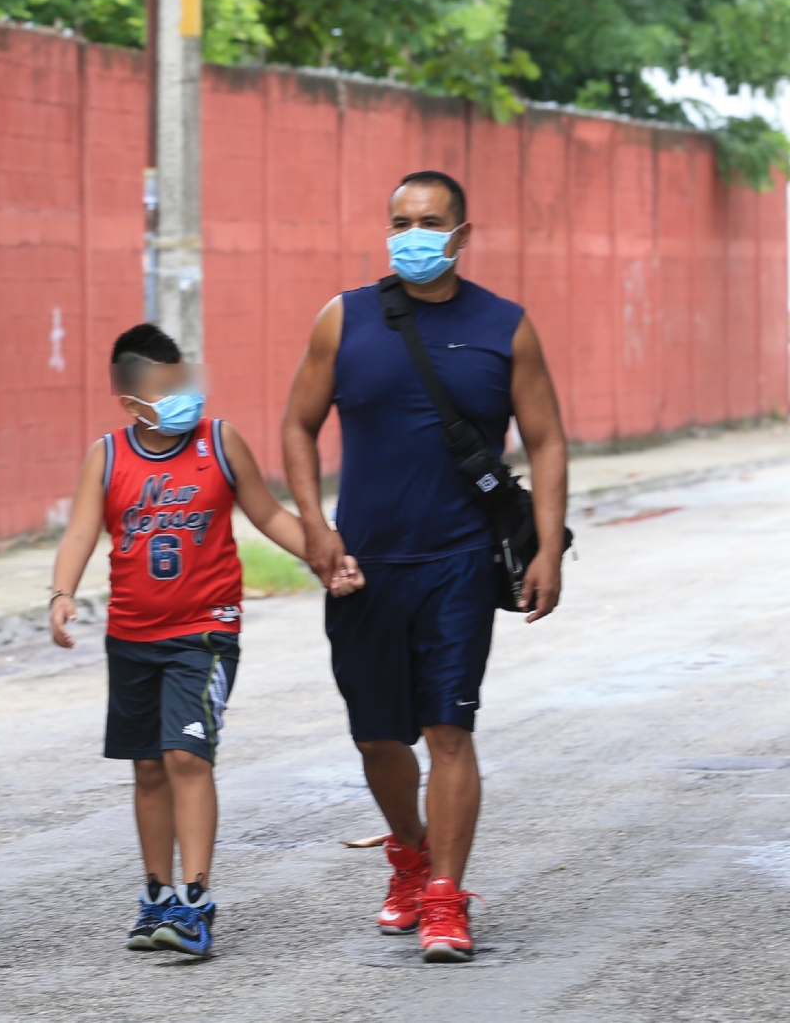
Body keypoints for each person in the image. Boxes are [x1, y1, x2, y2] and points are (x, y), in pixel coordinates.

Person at [281, 171, 569, 962]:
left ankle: (445, 897)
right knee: (378, 737)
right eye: (400, 220)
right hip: (365, 566)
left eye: (430, 220)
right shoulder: (345, 320)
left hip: (462, 563)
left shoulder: (505, 327)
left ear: (461, 234)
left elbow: (544, 440)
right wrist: (314, 524)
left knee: (449, 729)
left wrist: (546, 546)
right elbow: (298, 426)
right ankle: (408, 853)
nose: (413, 233)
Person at [48, 324, 363, 958]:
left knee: (187, 757)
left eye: (184, 379)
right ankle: (156, 896)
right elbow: (82, 531)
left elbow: (270, 514)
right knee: (147, 767)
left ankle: (195, 902)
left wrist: (327, 557)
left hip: (206, 632)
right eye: (165, 388)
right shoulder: (106, 456)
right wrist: (61, 593)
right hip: (132, 635)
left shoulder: (220, 442)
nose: (183, 395)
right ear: (132, 400)